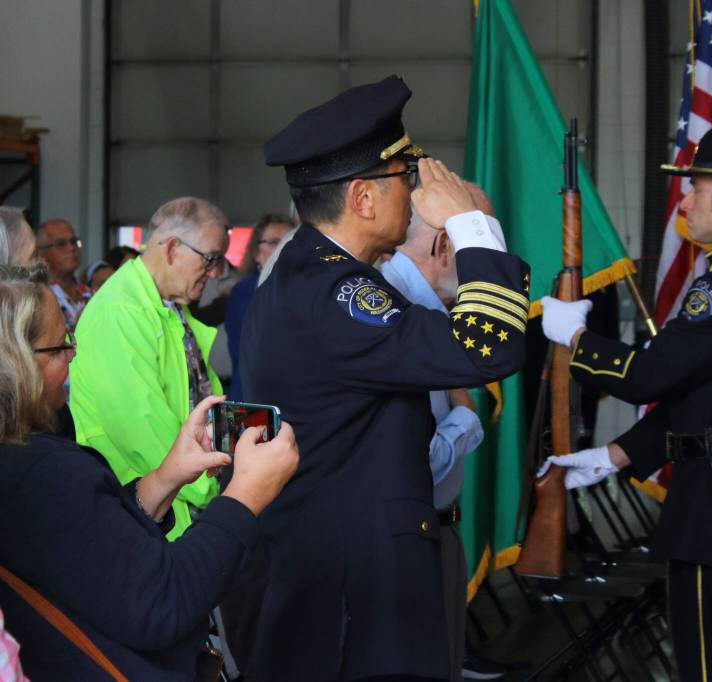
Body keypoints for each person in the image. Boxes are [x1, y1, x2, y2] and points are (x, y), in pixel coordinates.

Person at [241, 75, 529, 680]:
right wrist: (470, 225)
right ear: (363, 199)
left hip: (344, 577)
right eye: (406, 179)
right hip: (354, 597)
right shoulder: (338, 293)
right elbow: (487, 348)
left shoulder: (312, 276)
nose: (419, 193)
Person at [541, 120, 712, 682]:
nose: (684, 199)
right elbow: (708, 396)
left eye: (695, 188)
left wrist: (574, 338)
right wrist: (618, 454)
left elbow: (648, 376)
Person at [0, 263, 299, 680]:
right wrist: (245, 495)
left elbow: (95, 554)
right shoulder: (43, 473)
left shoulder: (20, 459)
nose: (74, 352)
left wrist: (165, 479)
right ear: (18, 363)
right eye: (60, 345)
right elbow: (165, 602)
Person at [70, 197, 230, 540]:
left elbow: (199, 394)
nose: (215, 272)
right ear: (172, 248)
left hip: (179, 508)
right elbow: (143, 435)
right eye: (211, 258)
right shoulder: (120, 313)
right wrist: (219, 486)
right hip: (148, 519)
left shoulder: (166, 304)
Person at [381, 205, 486, 682]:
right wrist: (465, 417)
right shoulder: (401, 312)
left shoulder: (421, 307)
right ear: (445, 246)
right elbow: (412, 460)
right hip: (413, 535)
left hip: (432, 529)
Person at [223, 213, 293, 401]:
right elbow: (246, 352)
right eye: (273, 242)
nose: (281, 248)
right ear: (255, 252)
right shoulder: (245, 291)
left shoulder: (300, 287)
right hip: (253, 399)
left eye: (288, 241)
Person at [36, 219, 91, 329]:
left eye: (74, 241)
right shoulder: (36, 298)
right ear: (40, 252)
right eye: (61, 244)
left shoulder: (90, 293)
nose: (71, 248)